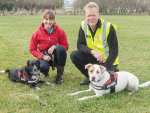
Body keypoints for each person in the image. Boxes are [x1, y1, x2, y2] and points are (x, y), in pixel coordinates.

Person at [70, 2, 119, 85]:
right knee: (74, 55)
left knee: (109, 83)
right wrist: (93, 52)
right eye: (89, 15)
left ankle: (105, 74)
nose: (91, 18)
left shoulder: (108, 27)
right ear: (85, 17)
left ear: (98, 16)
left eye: (94, 15)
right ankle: (90, 77)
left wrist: (105, 68)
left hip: (108, 61)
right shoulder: (83, 25)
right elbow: (80, 45)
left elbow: (114, 50)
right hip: (93, 59)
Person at [29, 10, 69, 84]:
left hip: (56, 55)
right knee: (43, 67)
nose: (48, 22)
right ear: (43, 19)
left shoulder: (60, 31)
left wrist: (55, 46)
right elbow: (32, 49)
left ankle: (59, 76)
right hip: (44, 55)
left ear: (54, 21)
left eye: (51, 20)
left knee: (62, 49)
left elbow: (66, 46)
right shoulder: (36, 33)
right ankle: (45, 72)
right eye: (46, 19)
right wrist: (43, 56)